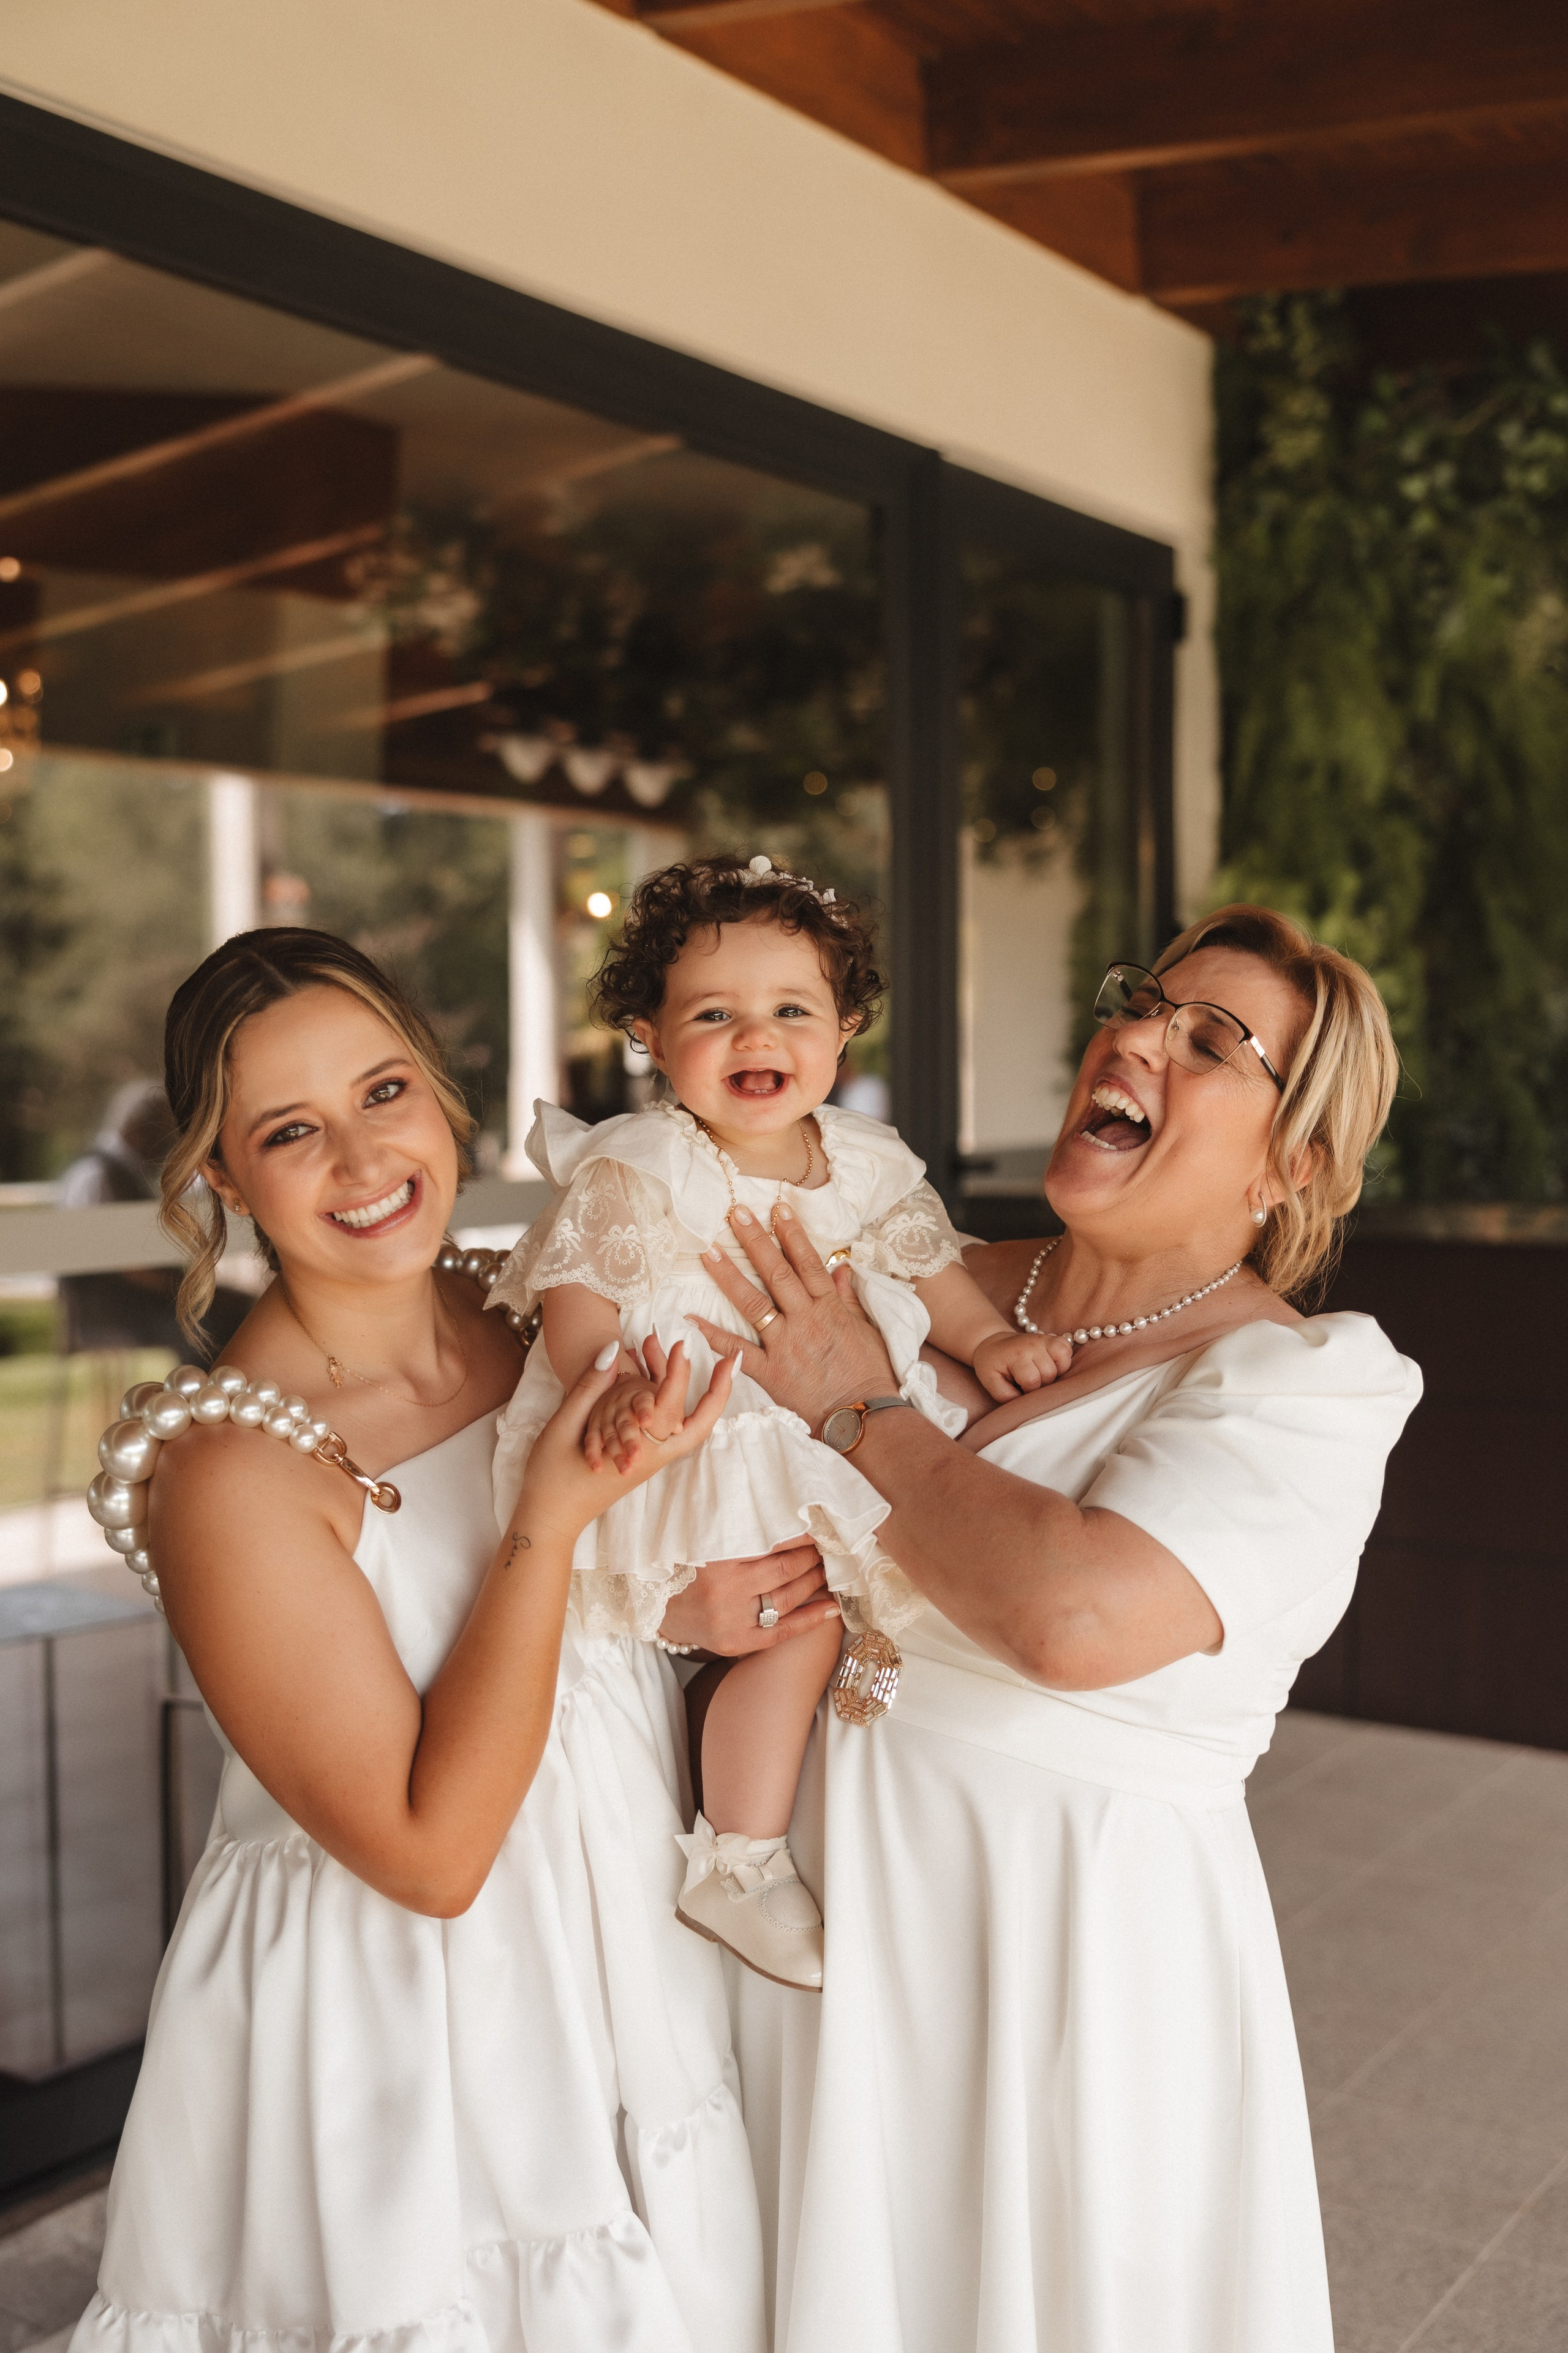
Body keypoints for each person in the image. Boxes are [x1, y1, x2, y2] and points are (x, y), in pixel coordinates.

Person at [679, 904, 1422, 2353]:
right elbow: (674, 1477)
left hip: (1059, 1950)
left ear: (1297, 1164)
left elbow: (1068, 1615)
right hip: (803, 1908)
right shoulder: (908, 1274)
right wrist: (678, 1608)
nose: (1135, 1036)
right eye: (1141, 1004)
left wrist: (860, 1410)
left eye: (1210, 1043)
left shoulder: (1301, 1383)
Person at [72, 926, 803, 2353]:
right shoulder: (238, 1471)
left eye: (383, 1091)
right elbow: (431, 1851)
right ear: (219, 1174)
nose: (361, 1158)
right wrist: (550, 1516)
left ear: (442, 1098)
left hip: (602, 1919)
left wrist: (665, 1609)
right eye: (290, 1129)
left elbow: (574, 1626)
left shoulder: (520, 1309)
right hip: (413, 2010)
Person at [488, 854, 1069, 1993]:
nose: (756, 1036)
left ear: (845, 1028)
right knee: (800, 1620)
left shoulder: (866, 1163)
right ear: (651, 1035)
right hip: (686, 1429)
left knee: (853, 1621)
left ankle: (861, 1829)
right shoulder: (643, 1164)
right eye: (714, 1014)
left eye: (790, 1009)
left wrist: (989, 1342)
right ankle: (740, 1860)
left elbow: (932, 1272)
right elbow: (580, 1304)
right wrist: (621, 1393)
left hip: (817, 1427)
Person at [56, 1078, 249, 1356]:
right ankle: (202, 1396)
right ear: (141, 1127)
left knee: (233, 1307)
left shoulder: (122, 1172)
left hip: (135, 1301)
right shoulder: (96, 1176)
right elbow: (127, 1265)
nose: (170, 1139)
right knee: (211, 1324)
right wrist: (192, 1290)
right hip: (113, 1313)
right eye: (163, 1128)